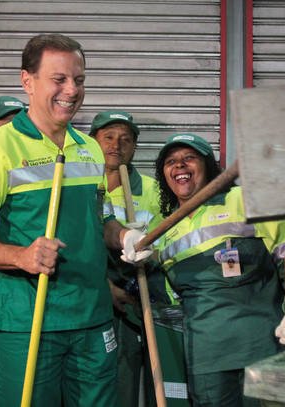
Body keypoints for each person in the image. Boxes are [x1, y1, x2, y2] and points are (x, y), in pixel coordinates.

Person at [0, 33, 146, 406]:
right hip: (29, 320)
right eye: (59, 79)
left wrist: (124, 238)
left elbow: (99, 219)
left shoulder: (89, 148)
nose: (72, 90)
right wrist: (21, 256)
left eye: (79, 79)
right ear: (28, 81)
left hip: (93, 314)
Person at [146, 133, 285, 406]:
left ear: (209, 167)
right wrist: (134, 262)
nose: (179, 165)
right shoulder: (163, 231)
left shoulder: (245, 200)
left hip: (265, 349)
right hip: (206, 360)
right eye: (171, 161)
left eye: (189, 158)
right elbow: (162, 294)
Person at [89, 110, 182, 406]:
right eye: (108, 137)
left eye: (126, 139)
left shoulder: (155, 192)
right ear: (92, 142)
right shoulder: (78, 187)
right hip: (92, 296)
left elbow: (168, 246)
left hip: (137, 299)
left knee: (129, 382)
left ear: (134, 148)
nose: (116, 145)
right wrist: (105, 287)